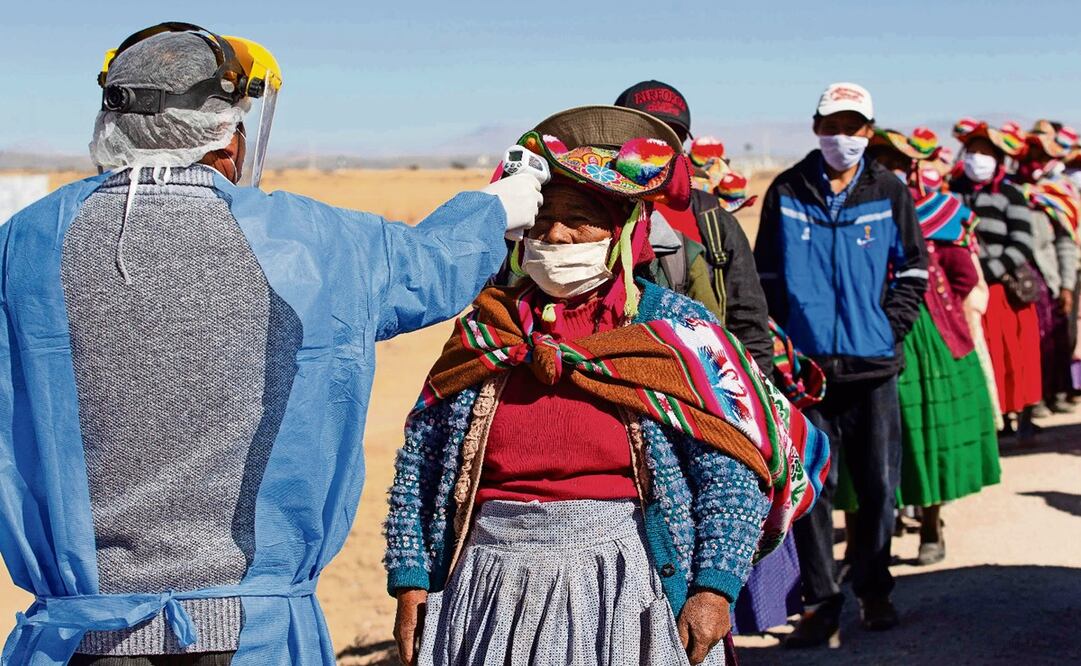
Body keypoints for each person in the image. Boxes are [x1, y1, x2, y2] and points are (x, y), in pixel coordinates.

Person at [0, 23, 544, 665]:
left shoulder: (24, 243)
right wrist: (494, 207)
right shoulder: (312, 239)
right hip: (249, 634)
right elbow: (429, 265)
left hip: (79, 636)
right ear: (227, 145)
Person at [384, 105, 829, 666]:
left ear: (620, 233)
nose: (557, 235)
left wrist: (715, 587)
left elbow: (731, 471)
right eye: (542, 220)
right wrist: (410, 578)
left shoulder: (675, 334)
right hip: (485, 589)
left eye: (580, 220)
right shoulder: (487, 329)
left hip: (626, 585)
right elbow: (419, 463)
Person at [754, 82, 928, 646]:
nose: (842, 138)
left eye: (853, 128)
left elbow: (913, 270)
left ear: (869, 133)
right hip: (808, 373)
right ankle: (822, 605)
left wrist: (887, 326)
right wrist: (785, 345)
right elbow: (768, 279)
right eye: (832, 126)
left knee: (878, 485)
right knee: (811, 490)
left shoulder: (889, 190)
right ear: (815, 128)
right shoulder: (787, 189)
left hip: (873, 366)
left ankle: (874, 592)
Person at [862, 127, 1000, 565]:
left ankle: (932, 525)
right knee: (884, 433)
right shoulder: (855, 213)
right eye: (881, 162)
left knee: (928, 433)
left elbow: (964, 275)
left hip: (929, 335)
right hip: (872, 332)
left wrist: (936, 308)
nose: (889, 171)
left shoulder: (940, 213)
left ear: (913, 169)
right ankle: (879, 534)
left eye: (897, 164)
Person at [615, 81, 773, 373]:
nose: (658, 148)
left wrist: (758, 391)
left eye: (670, 136)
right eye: (647, 133)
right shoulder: (589, 211)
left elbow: (747, 316)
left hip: (698, 382)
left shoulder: (713, 217)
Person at [949, 119, 1042, 444]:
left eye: (984, 152)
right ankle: (992, 418)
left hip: (1002, 289)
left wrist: (986, 270)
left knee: (1013, 357)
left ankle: (1021, 417)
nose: (977, 158)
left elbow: (1022, 244)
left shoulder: (1011, 194)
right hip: (967, 291)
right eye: (972, 151)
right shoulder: (953, 192)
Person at [1014, 120, 1080, 415]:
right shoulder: (1011, 192)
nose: (1036, 163)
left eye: (1041, 156)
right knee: (1029, 340)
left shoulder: (1056, 194)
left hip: (1052, 276)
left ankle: (1058, 391)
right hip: (1019, 278)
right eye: (1031, 156)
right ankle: (1034, 396)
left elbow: (1065, 242)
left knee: (1059, 334)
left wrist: (1067, 283)